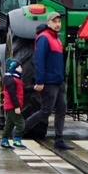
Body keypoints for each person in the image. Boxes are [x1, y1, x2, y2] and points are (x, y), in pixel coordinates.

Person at [24, 11, 74, 150]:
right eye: (54, 22)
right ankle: (20, 130)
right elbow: (39, 60)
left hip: (58, 81)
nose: (57, 24)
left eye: (59, 22)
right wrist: (40, 81)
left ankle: (59, 139)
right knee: (46, 111)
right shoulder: (44, 38)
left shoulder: (57, 40)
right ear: (48, 23)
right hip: (49, 81)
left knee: (61, 109)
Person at [0, 58, 26, 149]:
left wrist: (33, 88)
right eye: (19, 67)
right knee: (21, 123)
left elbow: (22, 91)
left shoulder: (16, 79)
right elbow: (12, 94)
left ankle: (4, 141)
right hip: (12, 106)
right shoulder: (11, 80)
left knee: (9, 124)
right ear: (13, 68)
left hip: (11, 106)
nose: (21, 69)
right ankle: (17, 140)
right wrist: (17, 107)